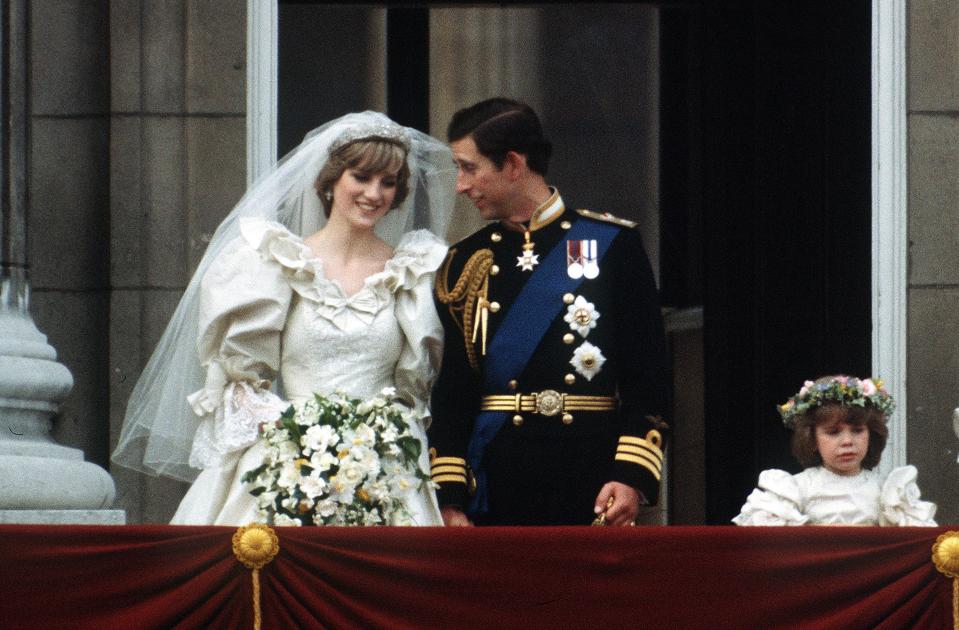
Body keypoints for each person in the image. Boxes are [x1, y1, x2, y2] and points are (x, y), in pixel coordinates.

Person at [112, 112, 457, 526]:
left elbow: (416, 392)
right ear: (331, 179)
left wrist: (371, 441)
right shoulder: (274, 262)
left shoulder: (415, 272)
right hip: (287, 461)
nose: (374, 193)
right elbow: (240, 381)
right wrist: (299, 436)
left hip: (383, 470)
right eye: (361, 177)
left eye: (388, 182)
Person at [428, 97, 671, 526]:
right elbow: (451, 394)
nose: (460, 186)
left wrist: (630, 474)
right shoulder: (465, 261)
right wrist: (449, 497)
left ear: (513, 164)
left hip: (593, 477)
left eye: (469, 168)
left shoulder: (610, 244)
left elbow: (648, 378)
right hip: (494, 483)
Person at [733, 375, 937, 526]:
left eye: (857, 431)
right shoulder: (795, 490)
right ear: (812, 440)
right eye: (833, 432)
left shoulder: (887, 492)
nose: (847, 441)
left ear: (871, 435)